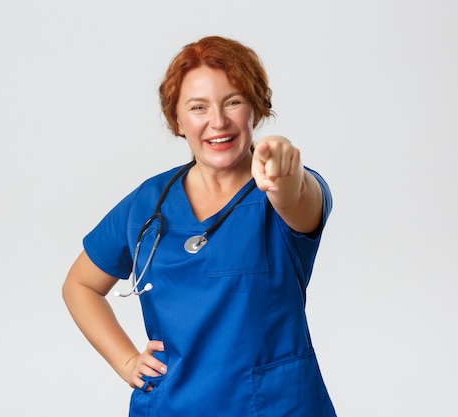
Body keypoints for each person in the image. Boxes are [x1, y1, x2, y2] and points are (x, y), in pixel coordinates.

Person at [62, 35, 337, 417]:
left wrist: (280, 163)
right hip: (171, 405)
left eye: (234, 102)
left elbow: (294, 196)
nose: (218, 122)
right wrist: (126, 361)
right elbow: (80, 285)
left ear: (255, 109)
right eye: (198, 107)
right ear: (177, 119)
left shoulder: (282, 191)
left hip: (275, 407)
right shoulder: (148, 202)